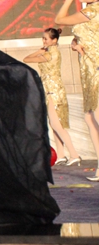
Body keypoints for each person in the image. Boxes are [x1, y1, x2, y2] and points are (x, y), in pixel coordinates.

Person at [56, 0, 99, 180]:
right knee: (90, 118)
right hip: (88, 69)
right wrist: (77, 44)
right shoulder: (90, 12)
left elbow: (60, 19)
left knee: (96, 116)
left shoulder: (92, 11)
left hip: (96, 68)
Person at [23, 28, 80, 166]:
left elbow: (26, 59)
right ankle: (61, 154)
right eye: (43, 38)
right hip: (52, 91)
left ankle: (74, 154)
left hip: (53, 92)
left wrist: (39, 51)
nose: (44, 41)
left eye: (46, 39)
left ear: (54, 40)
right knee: (54, 124)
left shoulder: (49, 54)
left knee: (56, 124)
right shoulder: (52, 52)